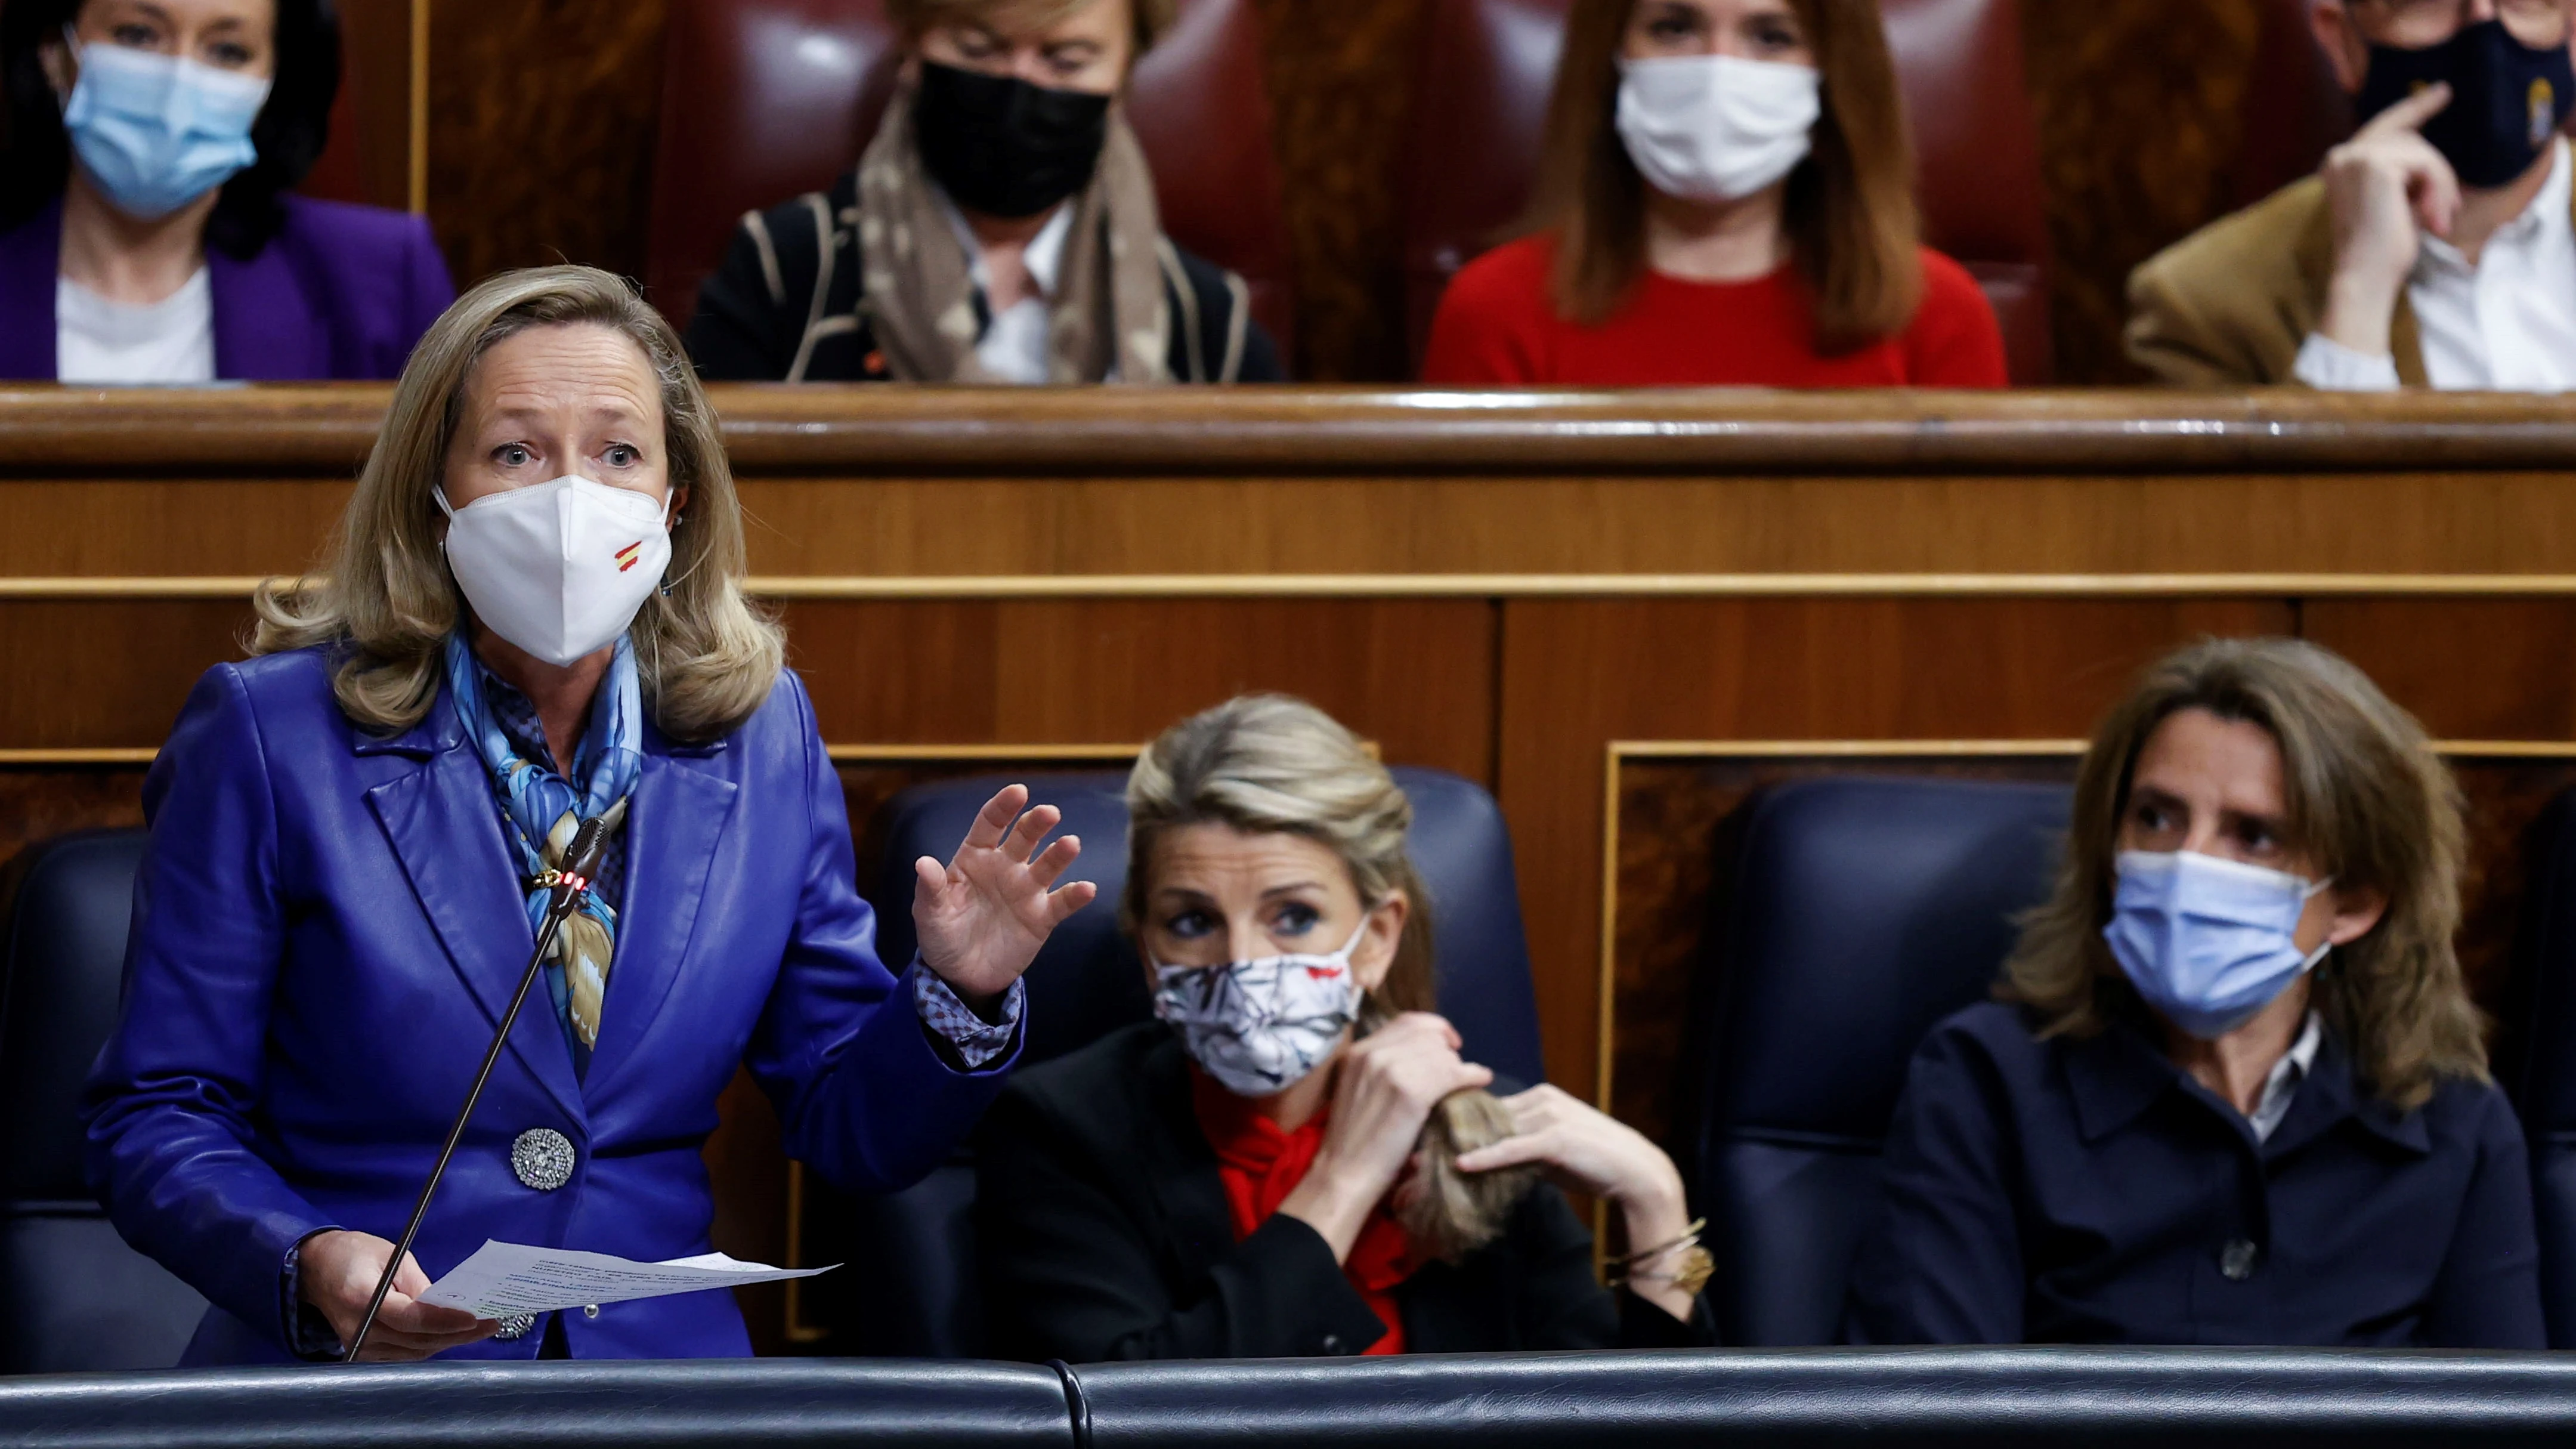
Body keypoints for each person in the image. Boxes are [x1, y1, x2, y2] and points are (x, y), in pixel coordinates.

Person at [81, 265, 1096, 1365]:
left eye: (618, 452)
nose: (571, 495)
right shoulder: (271, 735)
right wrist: (304, 1253)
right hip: (353, 1380)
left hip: (655, 1391)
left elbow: (850, 1120)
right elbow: (159, 1112)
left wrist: (959, 991)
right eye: (515, 451)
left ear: (675, 498)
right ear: (437, 492)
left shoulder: (759, 735)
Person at [1844, 638, 2544, 1348]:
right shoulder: (1984, 1083)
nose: (2187, 862)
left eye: (2254, 835)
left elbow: (2506, 1422)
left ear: (2353, 903)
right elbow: (1932, 1408)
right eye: (2155, 817)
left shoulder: (2451, 1121)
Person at [976, 695, 1714, 1361]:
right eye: (1192, 921)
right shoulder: (1063, 1130)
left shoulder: (1481, 1133)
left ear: (1376, 936)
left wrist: (1656, 1204)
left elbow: (1623, 1443)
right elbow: (1131, 1419)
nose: (1242, 964)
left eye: (1293, 916)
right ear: (1146, 948)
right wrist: (1346, 1177)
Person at [684, 0, 1278, 384]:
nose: (1019, 83)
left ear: (1122, 81)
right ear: (913, 50)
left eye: (1066, 61)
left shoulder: (1208, 324)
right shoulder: (782, 271)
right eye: (977, 49)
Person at [1418, 0, 2007, 388]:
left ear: (1833, 85)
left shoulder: (1936, 316)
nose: (1716, 69)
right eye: (1674, 28)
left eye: (1770, 37)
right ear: (1613, 64)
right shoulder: (1494, 311)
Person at [2129, 0, 2576, 390]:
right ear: (2342, 42)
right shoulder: (2202, 307)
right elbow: (2286, 493)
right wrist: (2359, 291)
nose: (2482, 27)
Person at [0, 0, 452, 383]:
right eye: (138, 35)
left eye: (228, 51)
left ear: (272, 83)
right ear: (55, 52)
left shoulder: (384, 278)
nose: (177, 86)